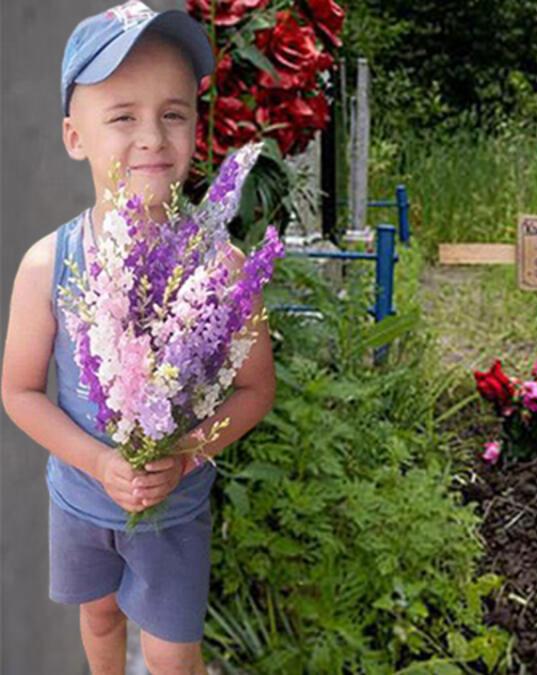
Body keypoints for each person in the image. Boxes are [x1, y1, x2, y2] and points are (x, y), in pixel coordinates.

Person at [0, 3, 275, 672]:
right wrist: (97, 463)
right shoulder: (49, 264)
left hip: (173, 508)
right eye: (123, 116)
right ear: (74, 135)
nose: (152, 136)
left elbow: (256, 388)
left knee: (172, 651)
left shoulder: (225, 271)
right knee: (96, 614)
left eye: (174, 113)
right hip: (78, 499)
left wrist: (183, 455)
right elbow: (19, 390)